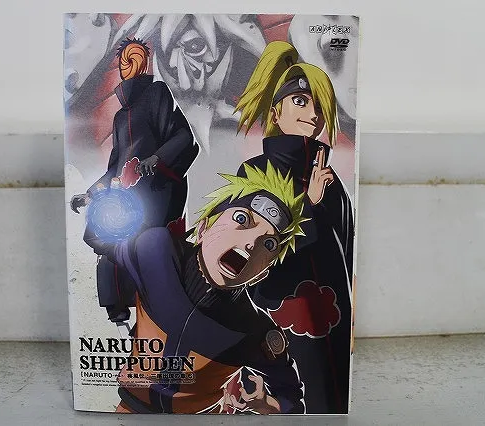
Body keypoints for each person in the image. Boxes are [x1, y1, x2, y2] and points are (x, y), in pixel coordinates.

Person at [95, 163, 307, 414]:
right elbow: (101, 242)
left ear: (263, 272)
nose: (252, 242)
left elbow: (292, 400)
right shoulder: (156, 251)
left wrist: (265, 404)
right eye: (242, 219)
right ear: (204, 228)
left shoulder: (254, 330)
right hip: (130, 410)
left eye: (269, 244)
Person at [234, 41, 354, 413]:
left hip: (333, 315)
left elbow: (347, 249)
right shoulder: (256, 171)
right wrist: (310, 205)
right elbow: (254, 249)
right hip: (278, 312)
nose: (313, 114)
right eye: (300, 101)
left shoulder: (330, 179)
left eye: (319, 105)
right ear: (276, 111)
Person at [71, 38, 199, 322]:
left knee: (146, 244)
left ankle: (160, 304)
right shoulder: (120, 118)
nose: (129, 64)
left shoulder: (157, 94)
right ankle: (119, 307)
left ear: (144, 61)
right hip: (123, 198)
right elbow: (114, 166)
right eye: (124, 60)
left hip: (156, 191)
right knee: (101, 238)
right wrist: (90, 194)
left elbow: (183, 137)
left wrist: (157, 160)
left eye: (135, 56)